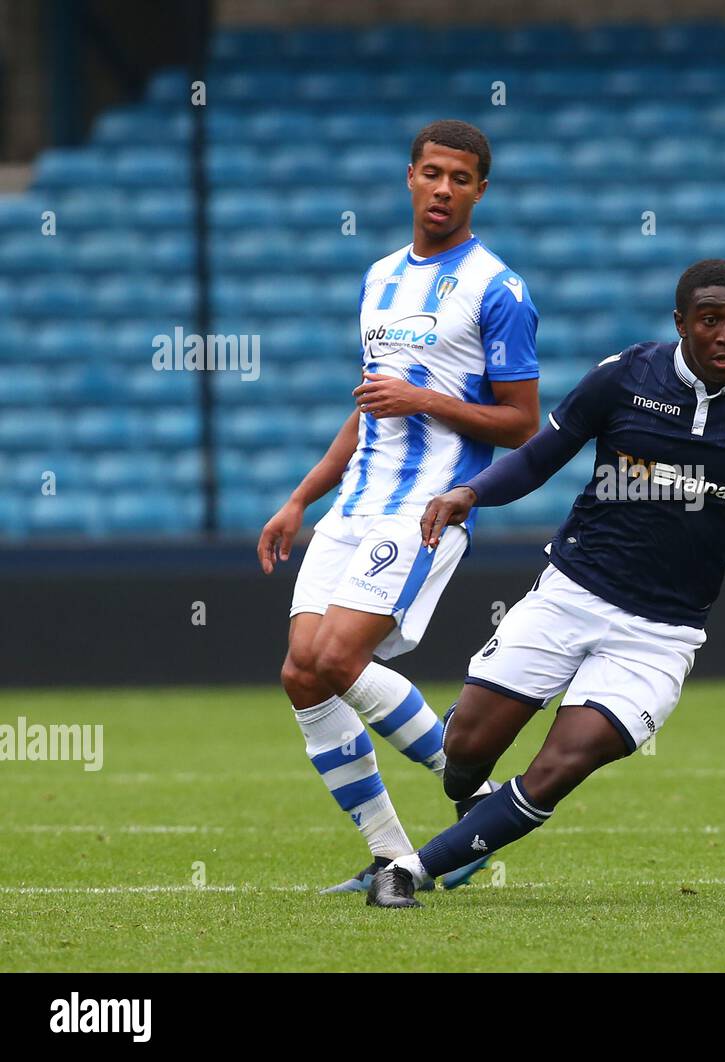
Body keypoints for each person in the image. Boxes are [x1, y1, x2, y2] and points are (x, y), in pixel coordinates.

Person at [366, 258, 725, 908]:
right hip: (570, 594)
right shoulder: (623, 378)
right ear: (681, 324)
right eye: (711, 320)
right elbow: (537, 458)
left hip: (661, 635)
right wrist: (468, 493)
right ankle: (473, 792)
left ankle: (407, 874)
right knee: (464, 749)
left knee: (561, 765)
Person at [257, 120, 539, 893]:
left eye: (461, 178)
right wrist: (299, 499)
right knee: (302, 676)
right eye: (431, 173)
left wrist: (423, 397)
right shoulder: (378, 277)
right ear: (409, 176)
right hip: (352, 508)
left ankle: (476, 801)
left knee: (338, 660)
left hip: (427, 509)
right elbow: (370, 407)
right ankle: (389, 854)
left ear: (480, 189)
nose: (444, 188)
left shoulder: (498, 289)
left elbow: (521, 421)